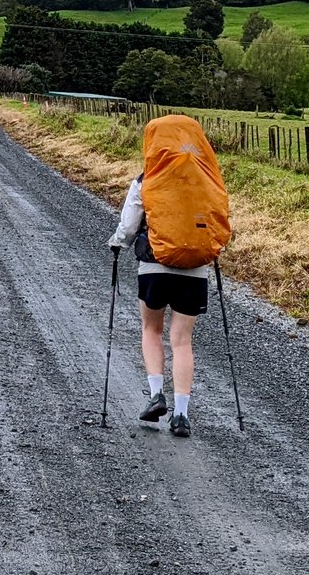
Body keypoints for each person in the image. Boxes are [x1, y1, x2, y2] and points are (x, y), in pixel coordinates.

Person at [106, 171, 209, 438]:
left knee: (152, 330)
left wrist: (118, 243)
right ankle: (181, 415)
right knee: (183, 341)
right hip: (195, 268)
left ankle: (156, 395)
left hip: (154, 265)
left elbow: (129, 226)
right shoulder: (205, 177)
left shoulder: (147, 178)